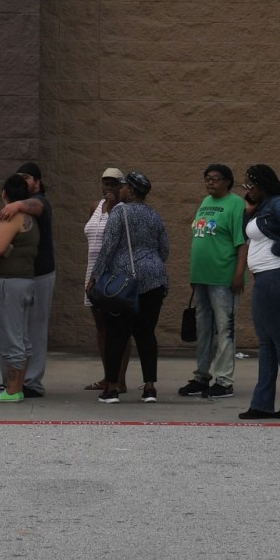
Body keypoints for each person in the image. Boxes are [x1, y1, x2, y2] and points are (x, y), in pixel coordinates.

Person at [92, 171, 170, 404]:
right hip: (155, 279)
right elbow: (164, 249)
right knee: (146, 333)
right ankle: (149, 388)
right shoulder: (154, 215)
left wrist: (95, 277)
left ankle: (113, 388)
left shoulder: (119, 212)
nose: (120, 190)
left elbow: (107, 247)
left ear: (132, 191)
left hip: (124, 282)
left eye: (124, 186)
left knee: (117, 333)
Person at [239, 163, 280, 421]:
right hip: (267, 278)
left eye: (249, 185)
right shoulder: (263, 206)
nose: (247, 190)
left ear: (261, 183)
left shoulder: (277, 203)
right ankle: (264, 404)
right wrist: (249, 207)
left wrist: (278, 250)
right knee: (268, 342)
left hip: (278, 276)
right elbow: (249, 231)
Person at [178, 163, 247, 401]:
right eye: (207, 178)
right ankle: (202, 376)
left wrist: (239, 273)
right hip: (202, 278)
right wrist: (194, 276)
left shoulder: (236, 204)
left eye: (216, 179)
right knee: (203, 329)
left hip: (223, 278)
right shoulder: (205, 203)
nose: (210, 182)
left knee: (225, 328)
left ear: (228, 181)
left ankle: (224, 380)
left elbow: (242, 242)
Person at [0, 173, 39, 403]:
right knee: (22, 337)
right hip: (26, 282)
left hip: (9, 283)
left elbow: (0, 248)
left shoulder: (11, 217)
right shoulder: (30, 219)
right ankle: (18, 386)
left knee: (11, 336)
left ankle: (11, 390)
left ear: (5, 194)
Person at [0, 162, 57, 398]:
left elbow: (36, 206)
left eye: (28, 177)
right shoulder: (16, 212)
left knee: (35, 330)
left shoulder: (40, 202)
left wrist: (17, 204)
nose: (24, 180)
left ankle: (31, 382)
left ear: (38, 182)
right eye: (19, 176)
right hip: (21, 275)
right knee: (14, 331)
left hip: (41, 274)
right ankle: (13, 381)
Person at [81, 167, 131, 394]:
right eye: (105, 184)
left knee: (118, 328)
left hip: (114, 274)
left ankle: (119, 379)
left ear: (122, 187)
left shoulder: (124, 210)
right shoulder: (94, 206)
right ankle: (106, 375)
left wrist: (111, 208)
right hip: (93, 272)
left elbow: (117, 238)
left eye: (114, 184)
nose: (108, 188)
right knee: (101, 326)